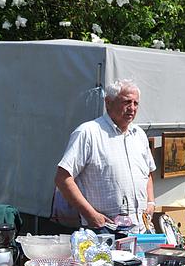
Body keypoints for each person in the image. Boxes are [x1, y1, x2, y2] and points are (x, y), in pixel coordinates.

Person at [54, 78, 156, 232]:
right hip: (104, 229)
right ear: (108, 103)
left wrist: (151, 203)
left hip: (140, 230)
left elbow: (147, 173)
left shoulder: (139, 135)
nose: (132, 108)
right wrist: (90, 215)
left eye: (136, 103)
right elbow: (63, 179)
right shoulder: (88, 133)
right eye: (126, 102)